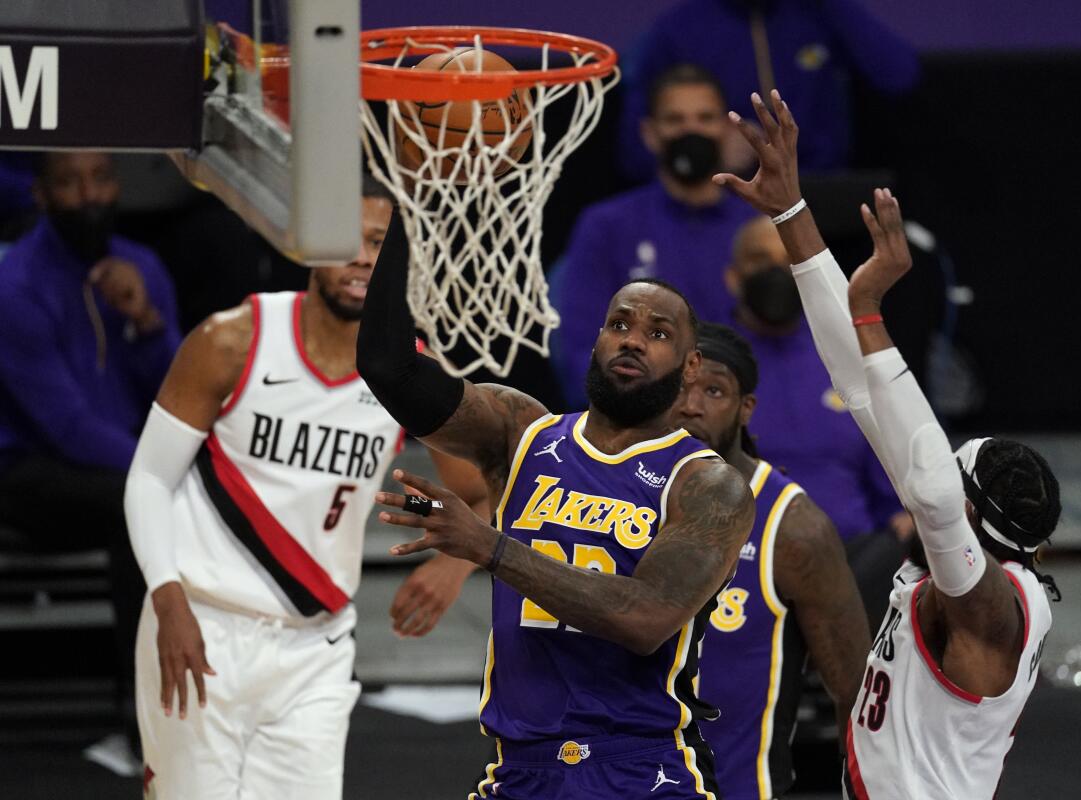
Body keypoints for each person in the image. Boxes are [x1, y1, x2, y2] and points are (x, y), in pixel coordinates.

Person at [718, 90, 1062, 799]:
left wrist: (874, 309)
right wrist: (793, 217)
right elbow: (864, 388)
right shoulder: (975, 563)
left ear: (968, 518)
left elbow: (932, 486)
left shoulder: (991, 611)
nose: (927, 466)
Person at [357, 211, 756, 799]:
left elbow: (643, 619)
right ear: (596, 337)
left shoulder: (705, 484)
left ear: (691, 366)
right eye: (620, 323)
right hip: (521, 767)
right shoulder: (521, 433)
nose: (633, 340)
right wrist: (404, 214)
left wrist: (490, 548)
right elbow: (389, 368)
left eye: (659, 333)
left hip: (642, 768)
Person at [123, 179, 488, 799]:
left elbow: (478, 493)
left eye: (381, 243)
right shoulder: (233, 339)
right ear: (311, 245)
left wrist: (452, 562)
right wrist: (166, 597)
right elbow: (151, 477)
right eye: (350, 240)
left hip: (315, 645)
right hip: (202, 618)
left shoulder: (407, 374)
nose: (365, 257)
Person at [0, 150, 181, 766]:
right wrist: (160, 475)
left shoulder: (143, 267)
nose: (91, 195)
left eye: (101, 178)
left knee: (145, 501)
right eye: (71, 184)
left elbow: (179, 396)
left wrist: (149, 323)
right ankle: (142, 713)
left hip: (115, 460)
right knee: (138, 505)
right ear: (41, 196)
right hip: (25, 471)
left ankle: (187, 697)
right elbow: (66, 428)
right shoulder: (15, 287)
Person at [674, 321, 869, 800]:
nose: (690, 405)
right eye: (679, 387)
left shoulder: (793, 528)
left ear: (745, 409)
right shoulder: (619, 495)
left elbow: (857, 695)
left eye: (713, 390)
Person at [718, 214, 910, 628]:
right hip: (742, 566)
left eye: (786, 260)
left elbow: (897, 485)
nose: (774, 271)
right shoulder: (706, 367)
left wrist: (911, 517)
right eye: (759, 259)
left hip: (853, 566)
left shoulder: (847, 353)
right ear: (733, 278)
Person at [550, 63, 757, 407]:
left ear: (725, 129)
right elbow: (581, 348)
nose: (691, 130)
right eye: (675, 120)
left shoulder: (756, 228)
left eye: (705, 119)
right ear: (650, 132)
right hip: (639, 416)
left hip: (735, 420)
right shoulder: (607, 225)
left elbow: (777, 343)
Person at [617, 0, 919, 183]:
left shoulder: (817, 15)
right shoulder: (677, 29)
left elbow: (900, 77)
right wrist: (709, 152)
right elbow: (634, 151)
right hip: (728, 199)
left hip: (820, 196)